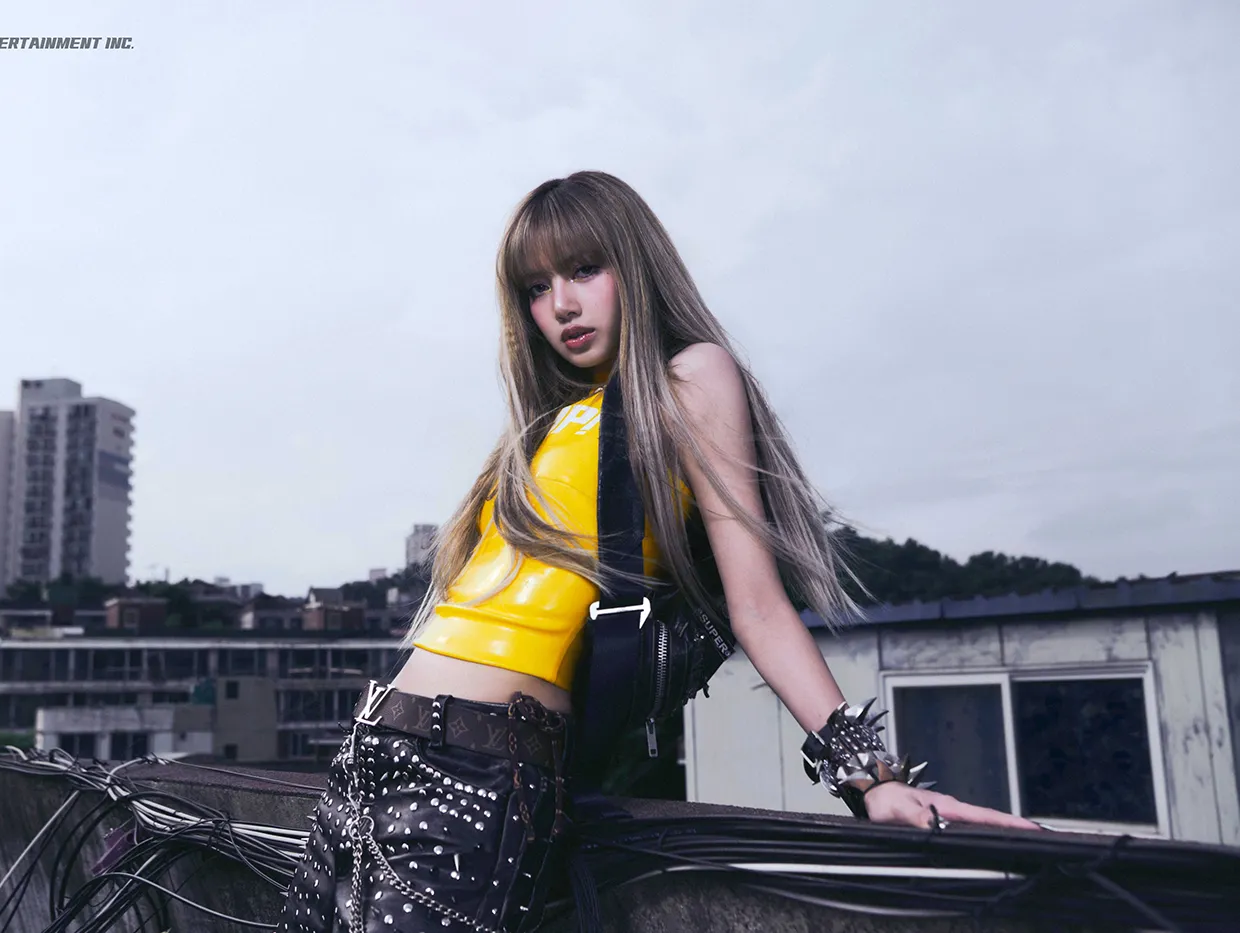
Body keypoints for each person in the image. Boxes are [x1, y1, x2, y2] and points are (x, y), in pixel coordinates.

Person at [278, 171, 1037, 933]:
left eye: (584, 269)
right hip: (373, 748)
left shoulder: (690, 378)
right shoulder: (547, 425)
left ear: (636, 266)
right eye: (536, 288)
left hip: (475, 777)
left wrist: (872, 778)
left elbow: (757, 605)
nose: (561, 305)